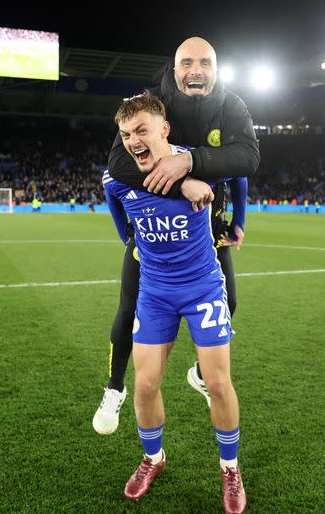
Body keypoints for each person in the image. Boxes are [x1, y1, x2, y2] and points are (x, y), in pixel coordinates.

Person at [93, 36, 258, 436]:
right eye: (187, 63)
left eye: (204, 63)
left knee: (229, 301)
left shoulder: (231, 106)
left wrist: (231, 208)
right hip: (150, 231)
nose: (195, 71)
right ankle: (115, 387)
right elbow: (117, 164)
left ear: (215, 69)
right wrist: (178, 184)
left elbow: (246, 160)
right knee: (128, 307)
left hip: (206, 224)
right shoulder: (152, 101)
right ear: (174, 67)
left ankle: (202, 374)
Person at [105, 92, 246, 513]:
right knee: (145, 384)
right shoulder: (118, 178)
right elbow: (119, 215)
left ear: (163, 129)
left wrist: (238, 220)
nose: (133, 140)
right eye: (126, 133)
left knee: (218, 383)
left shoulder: (198, 162)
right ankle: (153, 458)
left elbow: (240, 173)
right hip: (155, 292)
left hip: (202, 287)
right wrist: (134, 244)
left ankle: (230, 468)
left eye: (141, 130)